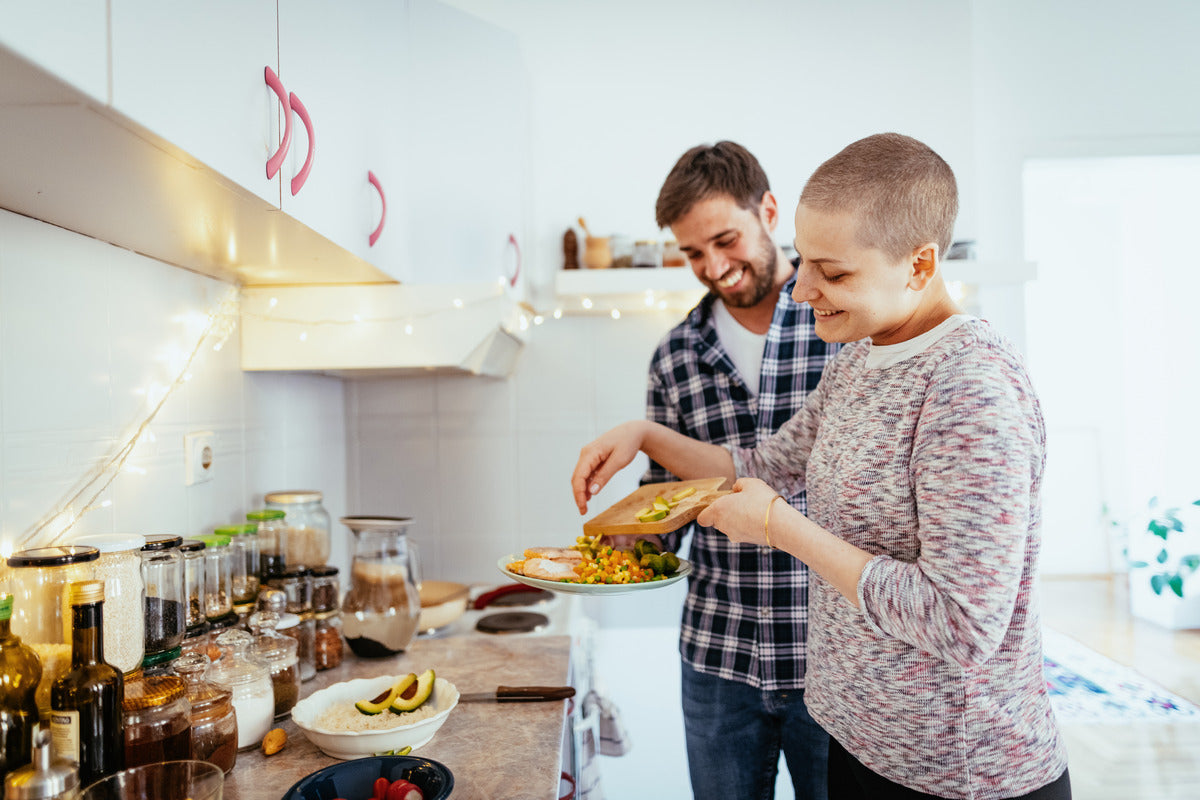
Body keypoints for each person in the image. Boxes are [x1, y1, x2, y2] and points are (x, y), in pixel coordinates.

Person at [573, 133, 1070, 800]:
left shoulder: (970, 387)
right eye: (806, 264)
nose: (803, 290)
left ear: (919, 265)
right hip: (859, 742)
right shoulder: (858, 363)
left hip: (954, 769)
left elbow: (961, 620)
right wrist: (643, 436)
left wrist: (781, 529)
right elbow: (761, 465)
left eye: (832, 274)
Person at [639, 141, 839, 800]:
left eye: (726, 240)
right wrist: (624, 545)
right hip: (719, 656)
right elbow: (663, 500)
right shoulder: (675, 357)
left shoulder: (842, 323)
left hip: (836, 656)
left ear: (770, 211)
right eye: (693, 253)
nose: (715, 267)